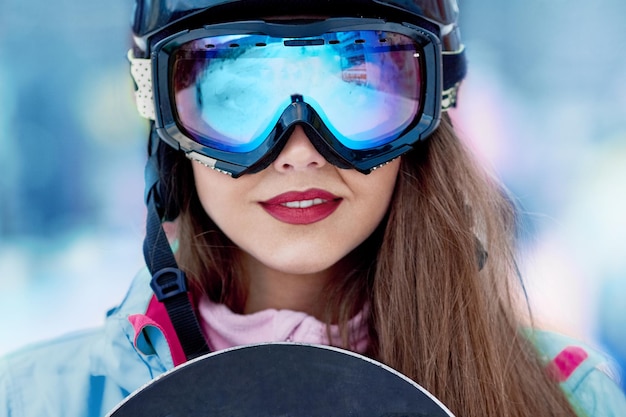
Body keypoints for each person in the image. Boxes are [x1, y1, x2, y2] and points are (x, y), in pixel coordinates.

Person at [1, 0, 624, 416]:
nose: (299, 151)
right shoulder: (35, 402)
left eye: (356, 85)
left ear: (429, 112)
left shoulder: (563, 397)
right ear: (169, 126)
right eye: (239, 94)